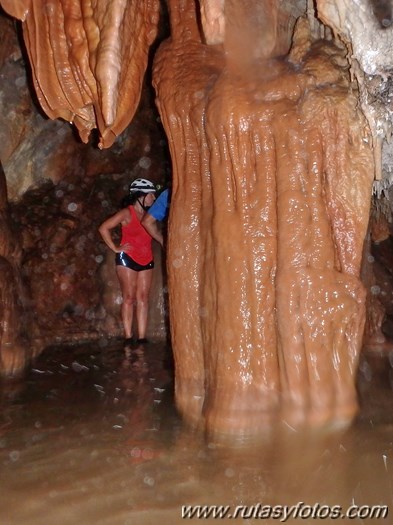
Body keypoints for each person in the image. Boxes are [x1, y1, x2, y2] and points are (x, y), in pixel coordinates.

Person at [98, 178, 157, 345]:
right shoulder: (126, 213)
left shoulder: (150, 214)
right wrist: (116, 248)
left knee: (143, 297)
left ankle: (142, 338)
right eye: (151, 194)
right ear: (140, 195)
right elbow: (103, 228)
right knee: (129, 297)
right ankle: (128, 336)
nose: (153, 197)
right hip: (128, 258)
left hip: (147, 258)